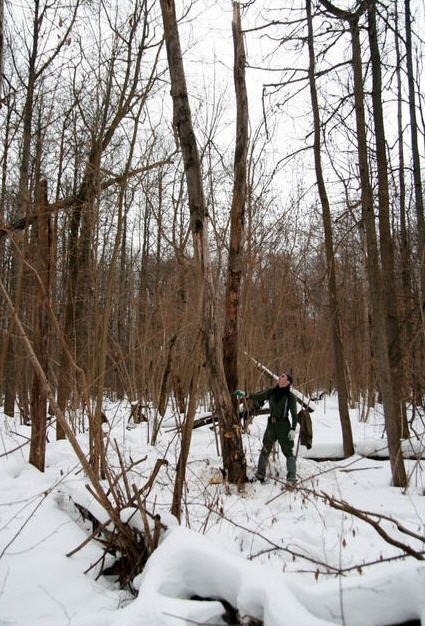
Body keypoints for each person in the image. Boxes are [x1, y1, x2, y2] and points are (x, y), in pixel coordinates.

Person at [234, 371, 298, 484]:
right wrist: (245, 394)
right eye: (280, 376)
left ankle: (291, 477)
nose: (279, 377)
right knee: (265, 449)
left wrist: (293, 428)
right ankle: (260, 474)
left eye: (283, 376)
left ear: (287, 382)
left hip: (284, 426)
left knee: (288, 451)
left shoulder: (290, 397)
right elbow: (258, 396)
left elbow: (294, 414)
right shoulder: (272, 392)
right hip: (271, 426)